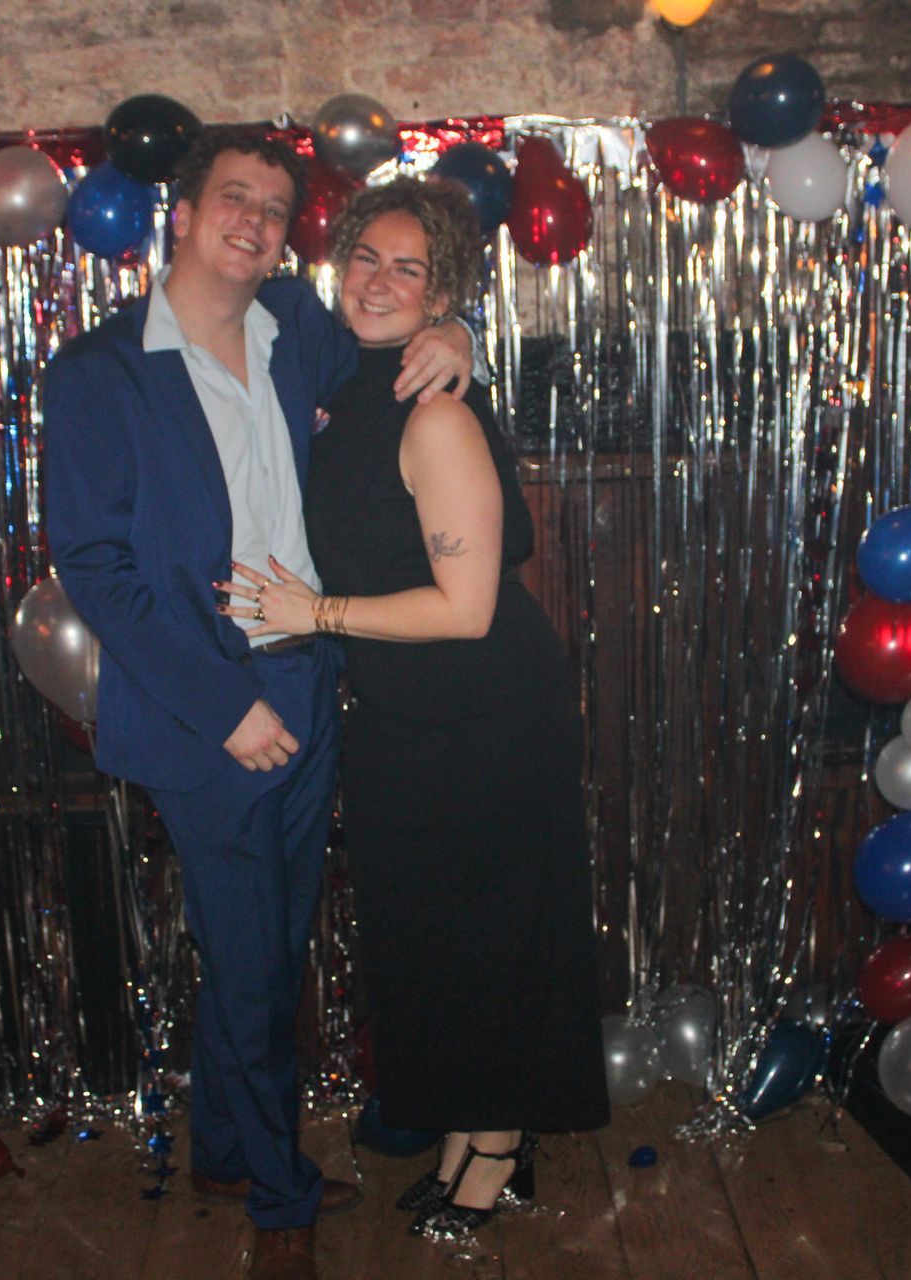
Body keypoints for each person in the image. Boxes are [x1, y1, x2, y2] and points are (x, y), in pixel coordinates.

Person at [42, 130, 473, 1280]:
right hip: (205, 696)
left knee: (268, 941)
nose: (255, 220)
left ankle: (227, 1147)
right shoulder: (97, 370)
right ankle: (281, 1195)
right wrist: (223, 704)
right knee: (251, 957)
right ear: (181, 214)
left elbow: (399, 325)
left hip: (310, 669)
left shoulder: (294, 324)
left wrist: (459, 333)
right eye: (233, 197)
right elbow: (96, 568)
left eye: (276, 208)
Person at [217, 177, 610, 1243]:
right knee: (436, 942)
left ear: (443, 293)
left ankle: (499, 1144)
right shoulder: (348, 383)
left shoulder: (434, 413)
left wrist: (314, 612)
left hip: (484, 714)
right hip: (399, 714)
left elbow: (467, 608)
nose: (378, 282)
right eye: (366, 259)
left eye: (410, 269)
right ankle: (469, 1129)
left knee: (485, 937)